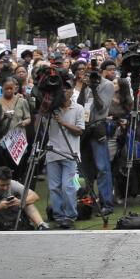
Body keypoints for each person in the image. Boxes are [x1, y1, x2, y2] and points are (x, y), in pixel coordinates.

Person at [44, 79, 85, 229]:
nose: (64, 91)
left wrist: (63, 123)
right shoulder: (51, 109)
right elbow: (38, 128)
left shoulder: (79, 108)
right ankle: (58, 216)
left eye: (67, 89)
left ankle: (70, 216)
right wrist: (44, 108)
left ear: (72, 90)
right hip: (53, 153)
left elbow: (80, 131)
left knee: (68, 186)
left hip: (71, 153)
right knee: (54, 187)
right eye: (62, 89)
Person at [0, 165, 47, 230]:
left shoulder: (13, 183)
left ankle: (41, 225)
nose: (5, 188)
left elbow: (35, 196)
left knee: (27, 202)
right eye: (2, 185)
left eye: (7, 184)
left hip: (10, 212)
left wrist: (20, 202)